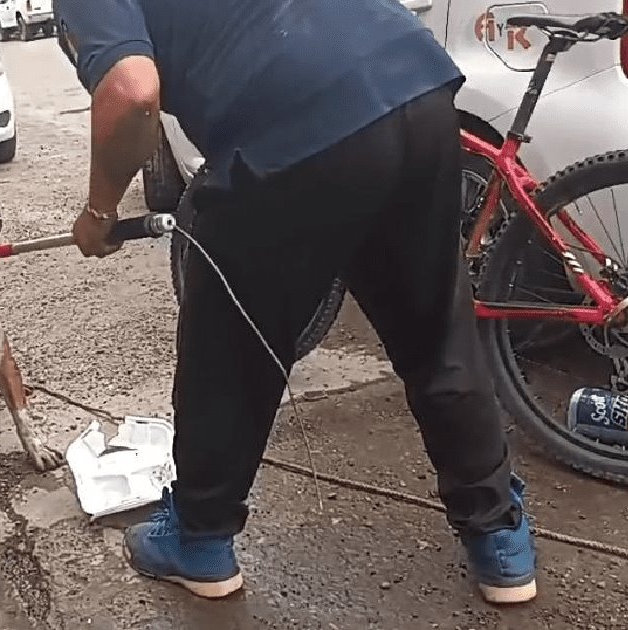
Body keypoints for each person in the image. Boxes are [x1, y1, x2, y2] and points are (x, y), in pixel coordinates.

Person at [55, 0, 538, 605]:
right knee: (435, 328)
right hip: (414, 86)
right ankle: (499, 539)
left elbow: (130, 92)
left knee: (226, 348)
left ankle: (200, 538)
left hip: (296, 129)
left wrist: (100, 212)